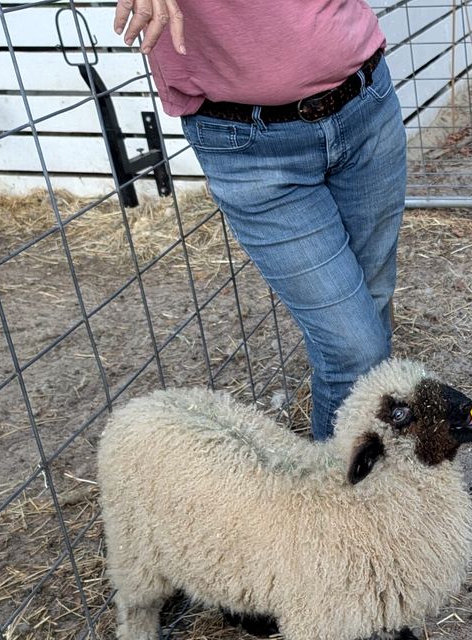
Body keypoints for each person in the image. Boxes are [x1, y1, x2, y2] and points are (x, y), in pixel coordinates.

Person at [113, 0, 407, 439]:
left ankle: (375, 478)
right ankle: (339, 501)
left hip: (365, 101)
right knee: (354, 349)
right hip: (249, 145)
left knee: (373, 303)